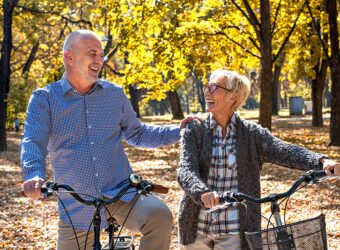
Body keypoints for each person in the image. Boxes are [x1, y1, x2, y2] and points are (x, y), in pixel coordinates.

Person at [21, 29, 195, 250]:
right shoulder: (44, 99)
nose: (99, 61)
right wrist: (34, 175)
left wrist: (178, 131)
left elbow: (138, 133)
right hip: (76, 204)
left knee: (159, 216)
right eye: (92, 54)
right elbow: (33, 141)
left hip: (121, 193)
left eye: (101, 55)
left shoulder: (114, 94)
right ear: (69, 56)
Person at [177, 69, 340, 250]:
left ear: (233, 97)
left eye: (213, 87)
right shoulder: (195, 128)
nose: (206, 91)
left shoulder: (251, 133)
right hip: (196, 226)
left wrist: (321, 161)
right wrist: (201, 192)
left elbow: (283, 150)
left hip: (235, 230)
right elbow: (185, 169)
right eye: (206, 87)